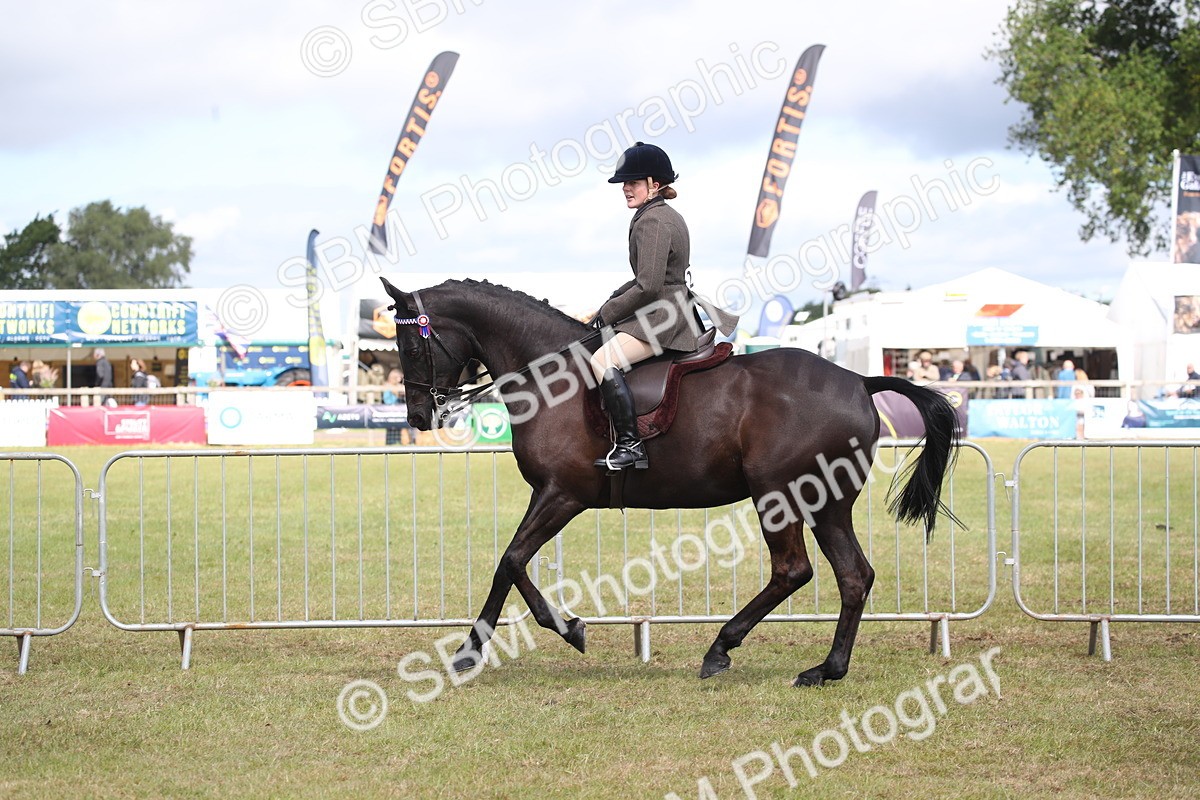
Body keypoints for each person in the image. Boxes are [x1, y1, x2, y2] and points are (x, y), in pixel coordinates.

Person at [588, 141, 738, 471]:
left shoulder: (652, 221)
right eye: (625, 183)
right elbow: (644, 279)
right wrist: (607, 305)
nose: (626, 189)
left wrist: (608, 315)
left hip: (662, 318)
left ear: (655, 185)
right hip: (671, 309)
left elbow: (649, 286)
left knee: (602, 361)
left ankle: (630, 446)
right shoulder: (664, 215)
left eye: (634, 182)